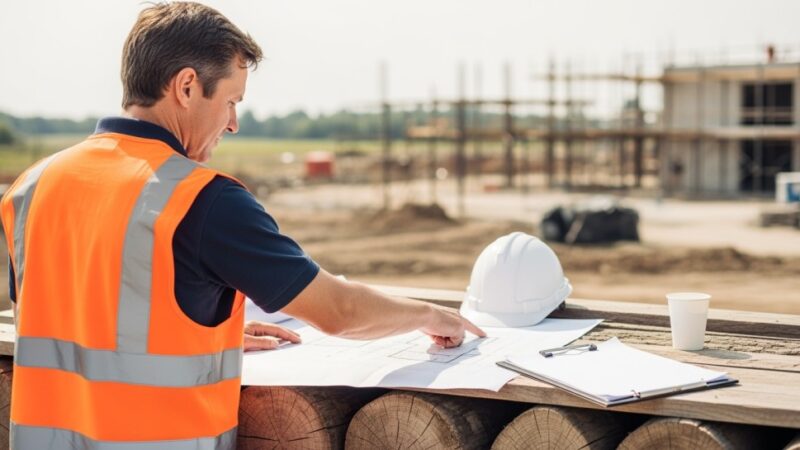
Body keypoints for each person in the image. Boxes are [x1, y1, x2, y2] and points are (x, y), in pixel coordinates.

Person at [0, 3, 484, 449]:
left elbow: (74, 315)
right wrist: (429, 315)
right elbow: (338, 311)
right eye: (232, 101)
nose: (232, 123)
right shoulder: (203, 199)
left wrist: (197, 331)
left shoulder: (32, 186)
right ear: (187, 86)